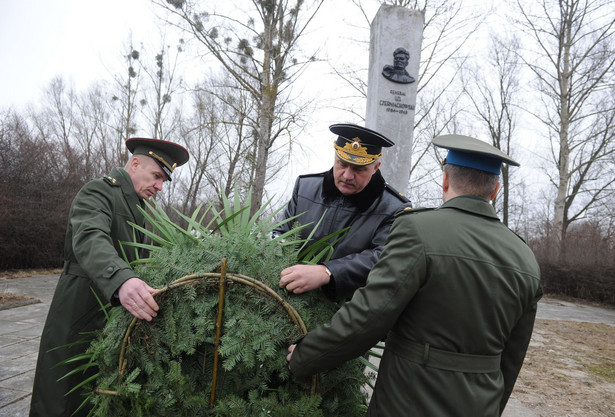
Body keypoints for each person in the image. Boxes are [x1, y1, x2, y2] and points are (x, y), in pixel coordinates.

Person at [286, 134, 543, 416]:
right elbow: (513, 357)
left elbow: (370, 315)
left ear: (445, 180)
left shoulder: (417, 230)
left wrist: (305, 355)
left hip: (407, 399)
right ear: (494, 191)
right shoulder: (525, 258)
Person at [29, 138, 189, 417]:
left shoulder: (137, 207)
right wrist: (122, 279)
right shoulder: (99, 191)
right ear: (135, 164)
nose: (160, 187)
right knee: (65, 395)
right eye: (157, 176)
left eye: (164, 181)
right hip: (81, 310)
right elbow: (91, 237)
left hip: (114, 316)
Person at [275, 123, 411, 302]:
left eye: (359, 169)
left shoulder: (394, 208)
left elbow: (383, 257)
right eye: (342, 164)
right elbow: (279, 233)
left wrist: (328, 272)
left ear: (376, 167)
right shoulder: (305, 187)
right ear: (335, 158)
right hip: (291, 302)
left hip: (348, 311)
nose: (347, 175)